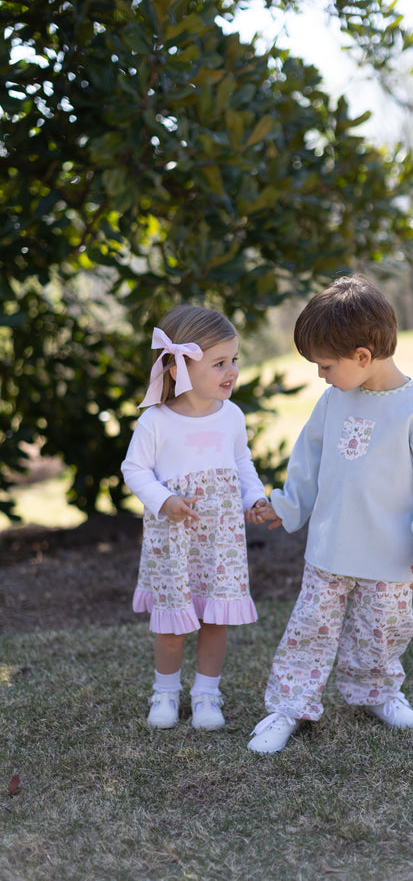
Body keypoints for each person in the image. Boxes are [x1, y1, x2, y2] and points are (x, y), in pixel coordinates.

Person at [246, 277, 413, 754]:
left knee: (381, 632)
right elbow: (306, 465)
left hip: (389, 557)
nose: (321, 375)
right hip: (330, 550)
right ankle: (288, 706)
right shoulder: (333, 402)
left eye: (326, 365)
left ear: (362, 357)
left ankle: (379, 694)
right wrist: (285, 506)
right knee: (308, 631)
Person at [121, 305, 266, 731]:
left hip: (220, 542)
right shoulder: (156, 422)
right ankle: (165, 692)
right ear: (178, 368)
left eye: (234, 360)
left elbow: (242, 463)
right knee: (173, 620)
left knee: (215, 617)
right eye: (220, 363)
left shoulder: (232, 417)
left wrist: (253, 498)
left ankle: (206, 694)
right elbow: (134, 470)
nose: (232, 371)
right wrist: (164, 500)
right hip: (175, 540)